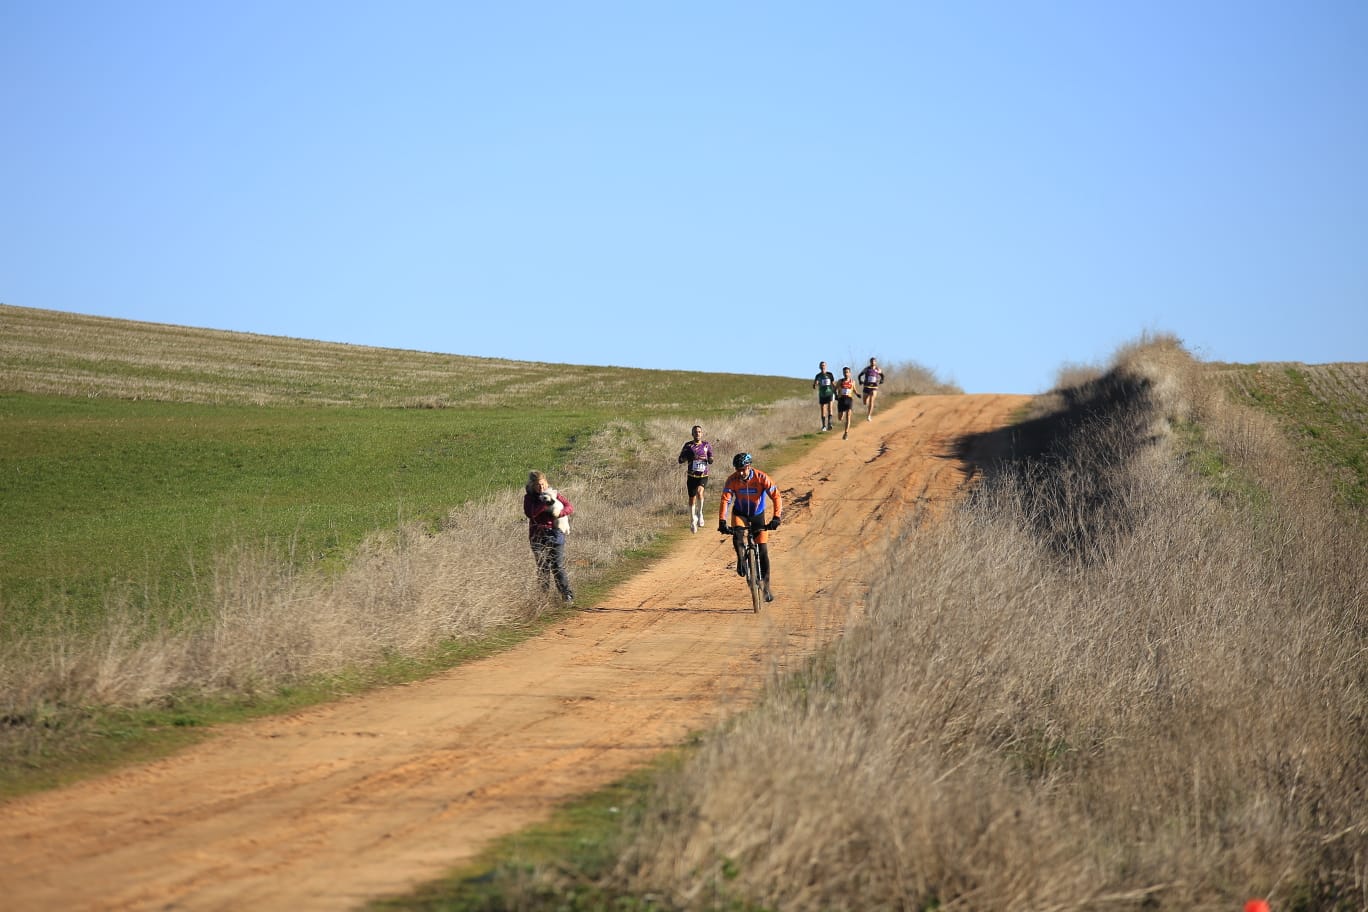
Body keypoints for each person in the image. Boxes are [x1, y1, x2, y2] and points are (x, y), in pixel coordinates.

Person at [716, 452, 783, 603]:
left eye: (743, 469)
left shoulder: (761, 478)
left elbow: (776, 496)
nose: (740, 472)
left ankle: (766, 587)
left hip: (757, 515)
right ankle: (741, 559)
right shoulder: (732, 480)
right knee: (738, 535)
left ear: (749, 467)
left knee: (763, 551)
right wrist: (722, 521)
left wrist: (776, 517)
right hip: (740, 514)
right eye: (737, 469)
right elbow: (725, 499)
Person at [523, 470, 575, 603]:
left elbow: (570, 507)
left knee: (557, 566)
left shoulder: (555, 494)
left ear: (546, 482)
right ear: (532, 486)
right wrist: (545, 504)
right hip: (537, 536)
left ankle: (566, 595)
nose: (541, 488)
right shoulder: (529, 498)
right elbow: (531, 513)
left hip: (555, 533)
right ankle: (543, 599)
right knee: (543, 567)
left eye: (543, 484)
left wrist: (560, 512)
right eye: (538, 485)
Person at [677, 425, 714, 533]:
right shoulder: (688, 445)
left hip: (703, 475)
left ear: (702, 433)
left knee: (700, 492)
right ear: (692, 434)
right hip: (692, 476)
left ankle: (700, 513)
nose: (697, 433)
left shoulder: (706, 445)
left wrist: (710, 459)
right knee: (692, 499)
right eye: (695, 432)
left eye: (699, 431)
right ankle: (692, 519)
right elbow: (680, 460)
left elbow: (711, 457)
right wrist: (686, 457)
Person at [834, 366, 858, 439]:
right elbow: (835, 389)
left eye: (847, 372)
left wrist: (857, 394)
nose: (846, 374)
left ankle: (846, 433)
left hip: (849, 400)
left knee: (848, 417)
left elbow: (854, 390)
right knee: (840, 418)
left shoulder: (852, 382)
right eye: (844, 372)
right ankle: (842, 412)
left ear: (850, 373)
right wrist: (836, 395)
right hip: (841, 400)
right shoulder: (840, 381)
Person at [858, 357, 884, 422]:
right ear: (870, 362)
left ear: (875, 362)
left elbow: (882, 375)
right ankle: (867, 406)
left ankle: (869, 415)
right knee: (864, 402)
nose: (873, 363)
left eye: (874, 361)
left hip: (874, 387)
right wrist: (860, 381)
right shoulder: (866, 369)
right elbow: (859, 375)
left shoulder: (878, 369)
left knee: (871, 401)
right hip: (866, 386)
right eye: (871, 361)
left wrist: (882, 380)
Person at [812, 361, 836, 432]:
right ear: (819, 367)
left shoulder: (830, 374)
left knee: (830, 408)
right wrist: (815, 384)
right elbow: (814, 384)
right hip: (822, 394)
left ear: (826, 366)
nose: (823, 366)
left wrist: (837, 389)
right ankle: (823, 426)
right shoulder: (818, 376)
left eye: (824, 365)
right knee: (823, 409)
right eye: (821, 365)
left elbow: (833, 383)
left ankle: (829, 423)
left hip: (830, 393)